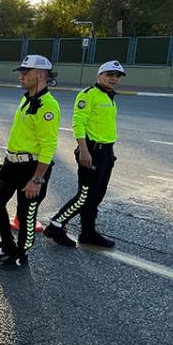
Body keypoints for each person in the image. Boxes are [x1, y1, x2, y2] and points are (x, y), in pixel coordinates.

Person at [0, 55, 60, 269]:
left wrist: (37, 180)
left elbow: (48, 146)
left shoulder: (48, 106)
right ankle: (8, 246)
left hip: (32, 168)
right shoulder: (27, 97)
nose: (21, 76)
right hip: (11, 164)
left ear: (40, 74)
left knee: (27, 214)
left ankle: (21, 254)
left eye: (25, 73)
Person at [43, 60, 125, 249]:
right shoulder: (88, 95)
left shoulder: (109, 96)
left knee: (96, 196)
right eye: (110, 75)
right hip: (92, 151)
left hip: (106, 152)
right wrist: (84, 150)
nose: (114, 79)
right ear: (99, 75)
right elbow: (78, 123)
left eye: (117, 76)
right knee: (85, 196)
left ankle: (88, 233)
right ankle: (56, 225)